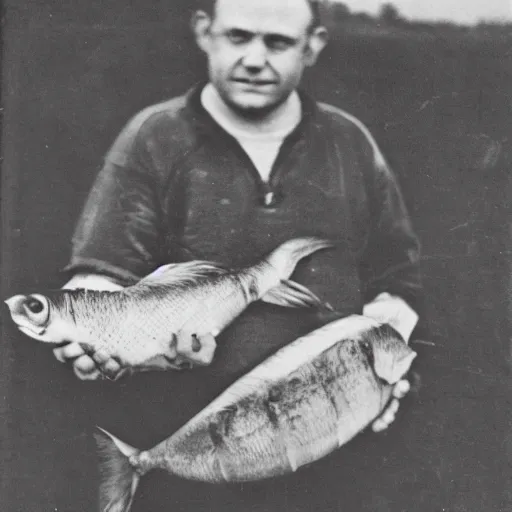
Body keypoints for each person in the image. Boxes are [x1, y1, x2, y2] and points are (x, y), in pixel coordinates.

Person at [55, 0, 422, 509]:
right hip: (195, 453)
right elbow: (101, 271)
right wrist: (92, 329)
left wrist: (387, 366)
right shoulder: (153, 137)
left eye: (277, 42)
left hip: (330, 447)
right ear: (204, 32)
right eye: (238, 36)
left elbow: (397, 277)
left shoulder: (349, 142)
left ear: (313, 44)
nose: (254, 58)